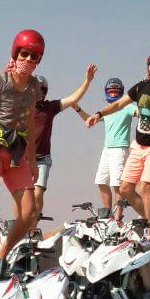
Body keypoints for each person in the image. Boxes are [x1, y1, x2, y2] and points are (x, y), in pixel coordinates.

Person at [85, 48, 150, 244]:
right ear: (148, 65)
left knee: (145, 188)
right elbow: (118, 104)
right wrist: (98, 114)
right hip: (138, 146)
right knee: (124, 189)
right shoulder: (141, 87)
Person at [0, 29, 42, 260]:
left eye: (35, 56)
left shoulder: (34, 86)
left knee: (29, 212)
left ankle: (2, 254)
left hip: (16, 154)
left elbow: (30, 123)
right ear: (15, 53)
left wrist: (32, 160)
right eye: (24, 54)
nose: (29, 60)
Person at [33, 64, 98, 220]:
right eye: (37, 89)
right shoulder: (21, 106)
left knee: (37, 193)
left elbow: (73, 98)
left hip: (42, 160)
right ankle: (22, 230)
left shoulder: (50, 107)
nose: (40, 92)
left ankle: (32, 230)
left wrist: (87, 81)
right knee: (24, 197)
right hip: (23, 159)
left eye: (43, 90)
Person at [75, 77, 136, 220]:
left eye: (116, 91)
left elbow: (138, 113)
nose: (113, 94)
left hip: (120, 149)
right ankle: (107, 215)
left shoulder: (127, 107)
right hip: (107, 150)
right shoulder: (106, 110)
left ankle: (118, 217)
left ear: (121, 92)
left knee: (117, 185)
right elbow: (89, 120)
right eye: (111, 91)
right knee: (101, 182)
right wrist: (77, 108)